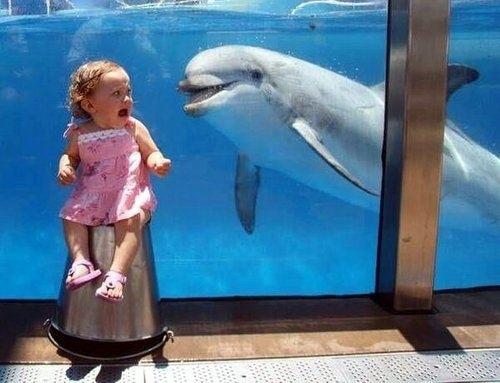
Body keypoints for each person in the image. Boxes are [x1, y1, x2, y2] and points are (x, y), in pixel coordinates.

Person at [57, 60, 171, 302]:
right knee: (70, 217)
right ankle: (81, 262)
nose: (127, 99)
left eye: (128, 92)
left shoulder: (133, 128)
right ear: (90, 105)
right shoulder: (80, 133)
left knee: (129, 221)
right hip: (92, 194)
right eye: (116, 94)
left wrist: (157, 163)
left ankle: (116, 275)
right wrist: (66, 167)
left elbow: (151, 151)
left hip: (128, 194)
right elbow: (71, 156)